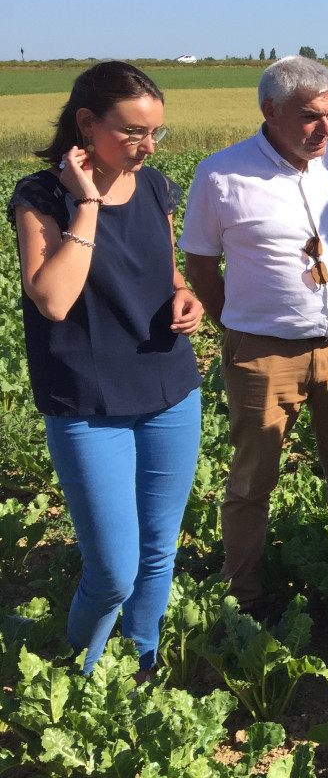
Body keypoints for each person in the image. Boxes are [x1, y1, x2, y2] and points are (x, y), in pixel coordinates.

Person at [8, 62, 203, 676]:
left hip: (169, 388)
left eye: (156, 134)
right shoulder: (40, 197)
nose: (146, 147)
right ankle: (78, 678)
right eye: (134, 133)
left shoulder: (154, 188)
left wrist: (184, 293)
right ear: (87, 124)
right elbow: (54, 298)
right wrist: (87, 204)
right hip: (88, 404)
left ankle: (141, 671)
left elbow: (165, 270)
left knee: (155, 553)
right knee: (112, 570)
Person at [180, 55, 328, 613]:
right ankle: (244, 599)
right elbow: (200, 267)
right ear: (270, 111)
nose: (325, 129)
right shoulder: (220, 174)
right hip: (264, 355)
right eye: (311, 116)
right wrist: (248, 330)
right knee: (251, 482)